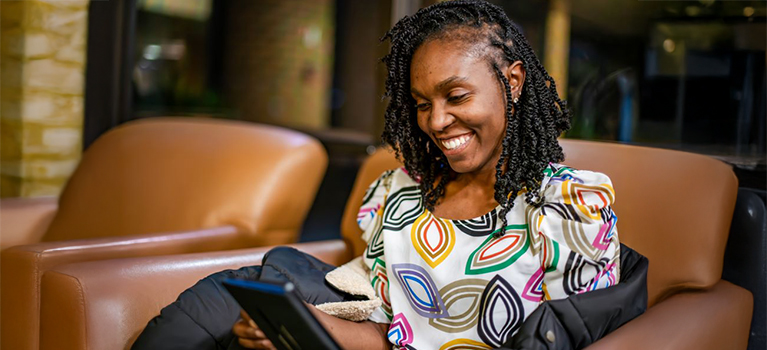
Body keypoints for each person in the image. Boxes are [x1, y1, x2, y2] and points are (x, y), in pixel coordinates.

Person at [233, 1, 627, 349]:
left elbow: (577, 336)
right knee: (225, 297)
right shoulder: (398, 192)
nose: (436, 122)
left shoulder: (568, 205)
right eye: (423, 104)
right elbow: (389, 334)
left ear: (513, 81)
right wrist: (313, 326)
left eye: (456, 96)